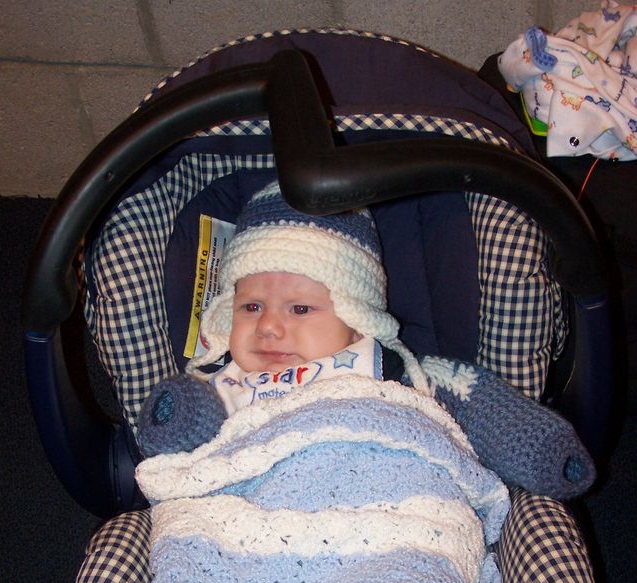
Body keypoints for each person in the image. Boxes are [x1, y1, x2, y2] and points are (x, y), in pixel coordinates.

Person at [138, 179, 594, 502]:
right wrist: (174, 413)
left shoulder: (398, 375)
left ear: (357, 319)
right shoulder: (223, 387)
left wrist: (547, 453)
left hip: (381, 509)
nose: (268, 327)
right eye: (251, 307)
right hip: (251, 518)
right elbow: (178, 442)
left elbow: (488, 413)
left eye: (300, 309)